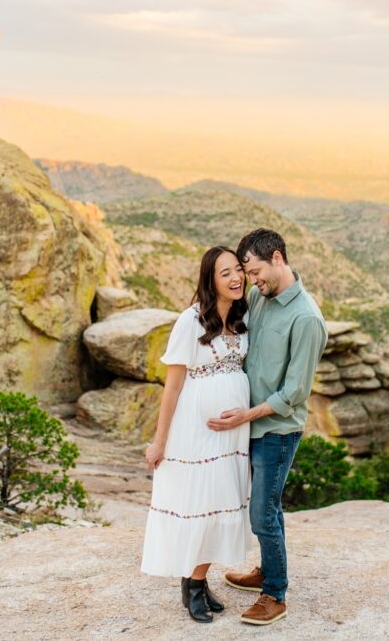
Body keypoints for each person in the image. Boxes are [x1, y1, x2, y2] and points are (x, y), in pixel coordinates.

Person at [207, 228, 328, 626]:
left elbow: (294, 392)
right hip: (248, 426)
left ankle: (275, 592)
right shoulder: (260, 296)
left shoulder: (306, 318)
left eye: (256, 271)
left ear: (277, 258)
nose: (251, 281)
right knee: (259, 508)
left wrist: (246, 415)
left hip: (276, 431)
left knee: (263, 513)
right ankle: (265, 570)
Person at [140, 246, 254, 623]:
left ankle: (198, 582)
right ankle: (192, 587)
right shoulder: (190, 321)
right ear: (210, 279)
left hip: (232, 435)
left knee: (220, 501)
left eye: (238, 269)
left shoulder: (244, 316)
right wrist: (159, 442)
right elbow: (171, 388)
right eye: (225, 273)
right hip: (197, 433)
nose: (236, 278)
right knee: (200, 505)